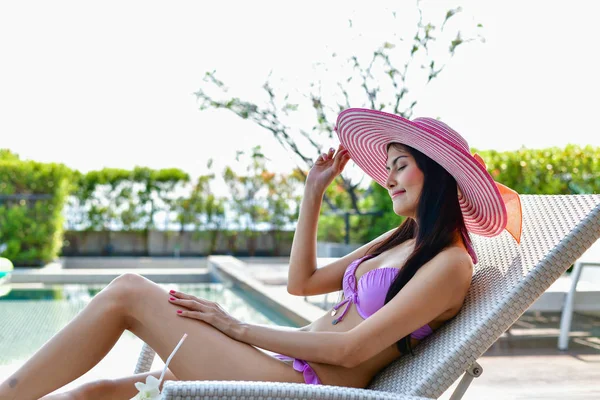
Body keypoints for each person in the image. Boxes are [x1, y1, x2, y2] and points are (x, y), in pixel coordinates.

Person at [0, 108, 520, 399]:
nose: (386, 178)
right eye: (387, 166)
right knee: (98, 395)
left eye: (400, 164)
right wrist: (312, 194)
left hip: (302, 389)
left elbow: (349, 351)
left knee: (127, 294)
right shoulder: (402, 239)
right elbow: (304, 283)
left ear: (439, 173)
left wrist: (235, 326)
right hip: (279, 367)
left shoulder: (451, 264)